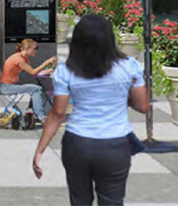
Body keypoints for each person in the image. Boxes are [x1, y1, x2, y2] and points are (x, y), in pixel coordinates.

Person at [32, 14, 149, 205]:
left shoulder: (65, 71)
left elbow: (57, 114)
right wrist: (121, 96)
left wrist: (40, 150)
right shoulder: (130, 67)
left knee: (79, 200)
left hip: (78, 142)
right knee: (112, 200)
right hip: (116, 144)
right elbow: (143, 106)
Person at [0, 39, 57, 119]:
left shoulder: (25, 57)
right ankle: (40, 115)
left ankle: (37, 111)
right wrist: (46, 63)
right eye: (35, 48)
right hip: (6, 87)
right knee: (36, 89)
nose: (36, 50)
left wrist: (46, 71)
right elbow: (33, 72)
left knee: (36, 88)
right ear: (27, 49)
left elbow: (32, 71)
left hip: (11, 85)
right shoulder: (19, 60)